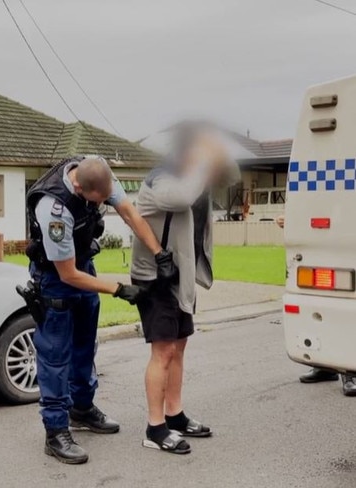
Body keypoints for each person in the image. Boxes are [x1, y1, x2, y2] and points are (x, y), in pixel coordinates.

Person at [25, 155, 178, 464]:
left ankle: (81, 409)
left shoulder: (100, 175)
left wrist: (160, 254)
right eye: (100, 200)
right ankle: (55, 432)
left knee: (85, 346)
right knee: (55, 356)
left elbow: (130, 214)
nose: (105, 202)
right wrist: (119, 289)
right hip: (55, 278)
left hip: (84, 266)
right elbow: (67, 275)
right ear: (81, 189)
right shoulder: (53, 209)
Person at [131, 126, 237, 455]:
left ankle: (174, 415)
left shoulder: (190, 175)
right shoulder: (160, 178)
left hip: (181, 279)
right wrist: (202, 162)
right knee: (162, 353)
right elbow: (182, 197)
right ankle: (155, 427)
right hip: (156, 279)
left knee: (178, 349)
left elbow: (229, 176)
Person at [275, 215, 356, 395]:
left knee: (342, 306)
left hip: (344, 248)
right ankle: (325, 367)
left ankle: (349, 373)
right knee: (318, 305)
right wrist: (292, 220)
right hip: (320, 249)